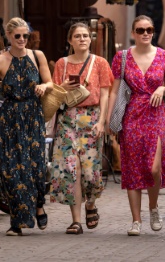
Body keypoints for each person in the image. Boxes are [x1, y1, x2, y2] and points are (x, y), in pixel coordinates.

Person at [0, 17, 54, 236]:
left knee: (35, 167)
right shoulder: (0, 61)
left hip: (33, 117)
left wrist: (43, 86)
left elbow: (50, 82)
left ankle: (38, 206)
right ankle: (17, 222)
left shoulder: (37, 56)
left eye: (25, 36)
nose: (21, 39)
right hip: (8, 119)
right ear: (8, 36)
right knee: (11, 171)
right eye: (17, 36)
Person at [107, 15, 165, 236]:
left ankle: (153, 207)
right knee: (132, 167)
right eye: (140, 30)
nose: (145, 33)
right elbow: (113, 90)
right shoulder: (122, 57)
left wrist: (161, 90)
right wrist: (110, 120)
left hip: (155, 114)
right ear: (133, 33)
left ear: (153, 32)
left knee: (153, 167)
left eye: (149, 29)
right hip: (131, 114)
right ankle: (136, 220)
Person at [49, 22, 113, 235]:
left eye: (86, 35)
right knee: (70, 169)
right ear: (70, 40)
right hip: (67, 119)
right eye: (77, 36)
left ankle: (91, 205)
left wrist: (102, 121)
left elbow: (105, 94)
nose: (82, 39)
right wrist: (63, 88)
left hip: (92, 118)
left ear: (90, 39)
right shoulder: (62, 64)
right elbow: (55, 94)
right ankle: (76, 221)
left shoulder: (100, 63)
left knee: (90, 172)